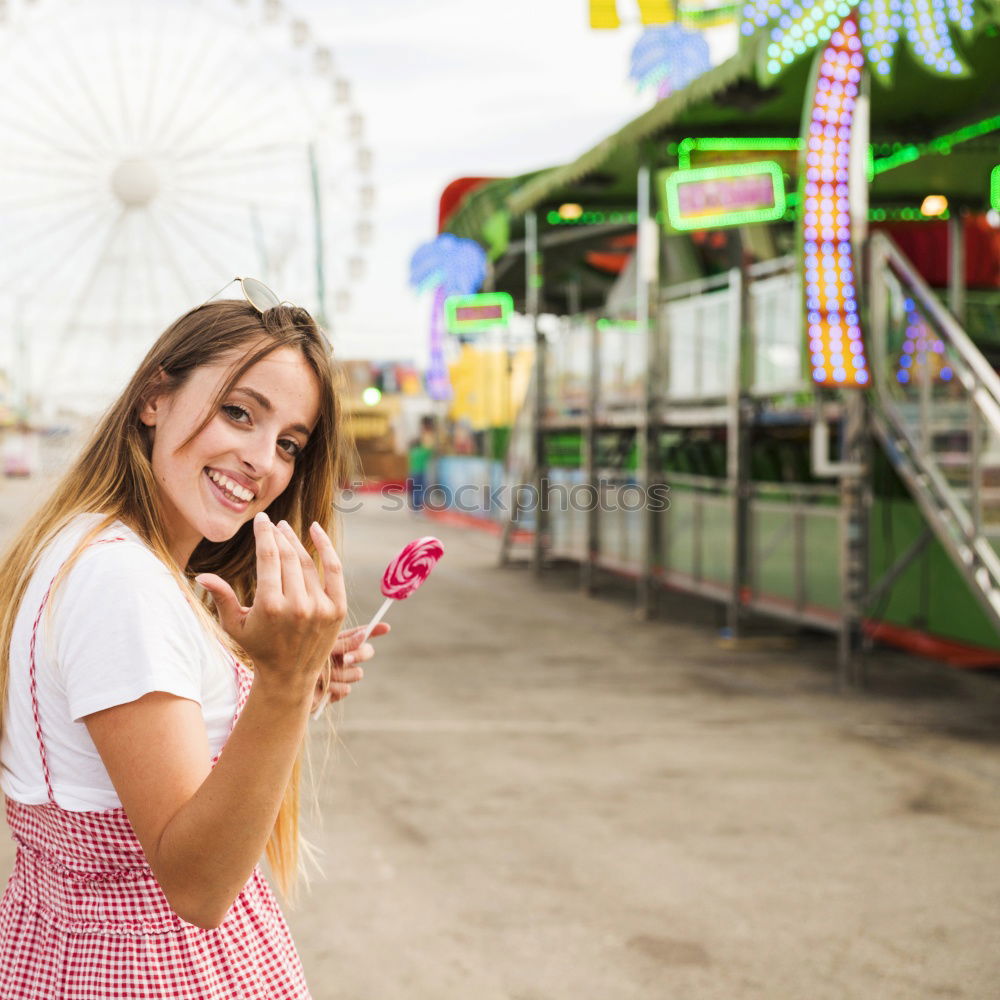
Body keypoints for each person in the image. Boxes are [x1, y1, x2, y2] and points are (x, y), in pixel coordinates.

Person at [0, 280, 388, 997]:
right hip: (158, 970)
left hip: (68, 950)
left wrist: (295, 677)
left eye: (289, 443)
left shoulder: (88, 546)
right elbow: (198, 885)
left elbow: (135, 760)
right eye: (239, 412)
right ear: (155, 396)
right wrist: (277, 685)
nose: (262, 461)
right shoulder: (123, 583)